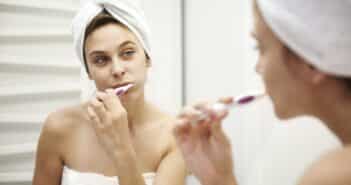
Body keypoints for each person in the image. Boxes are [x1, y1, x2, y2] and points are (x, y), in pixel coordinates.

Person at [173, 1, 351, 185]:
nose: (257, 68)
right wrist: (218, 178)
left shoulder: (333, 176)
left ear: (309, 62)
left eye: (260, 47)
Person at [32, 0, 186, 185]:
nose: (117, 69)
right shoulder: (58, 127)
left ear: (147, 58)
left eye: (127, 52)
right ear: (88, 71)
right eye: (101, 60)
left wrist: (121, 147)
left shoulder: (176, 137)